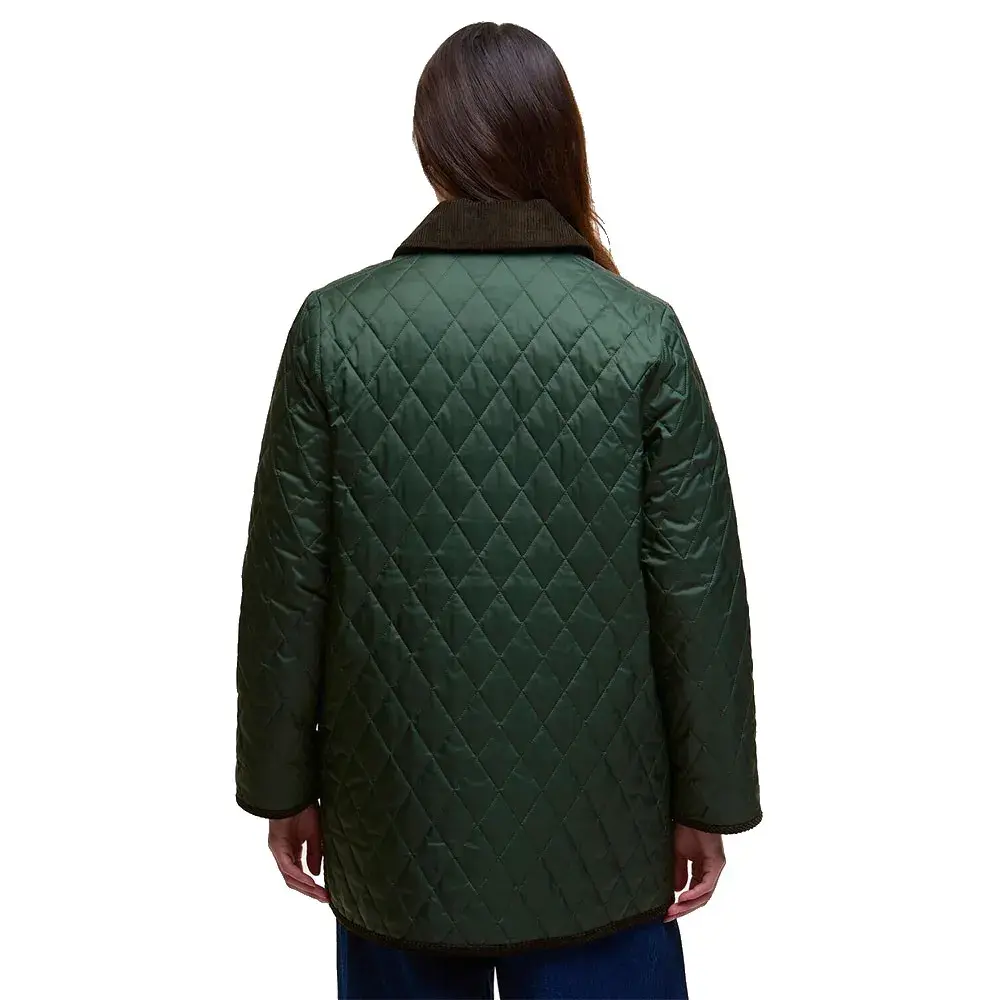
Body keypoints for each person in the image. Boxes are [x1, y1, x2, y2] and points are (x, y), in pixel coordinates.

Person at [235, 20, 761, 1000]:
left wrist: (280, 785)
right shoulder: (641, 335)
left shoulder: (334, 329)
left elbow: (286, 585)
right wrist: (709, 799)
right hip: (600, 837)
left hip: (397, 830)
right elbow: (697, 591)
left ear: (430, 147)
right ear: (560, 140)